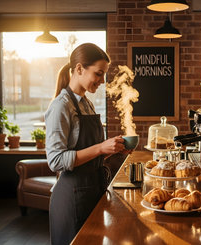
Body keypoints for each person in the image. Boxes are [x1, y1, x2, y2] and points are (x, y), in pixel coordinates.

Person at [45, 43, 126, 245]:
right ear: (79, 68)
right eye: (98, 73)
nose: (102, 81)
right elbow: (55, 160)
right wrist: (100, 147)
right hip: (72, 197)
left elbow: (90, 154)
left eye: (104, 75)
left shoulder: (86, 103)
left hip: (92, 192)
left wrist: (113, 150)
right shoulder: (61, 106)